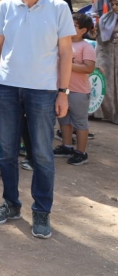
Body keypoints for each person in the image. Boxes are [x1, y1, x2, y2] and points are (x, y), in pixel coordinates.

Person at [0, 0, 75, 239]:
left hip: (43, 90)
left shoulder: (58, 7)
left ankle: (42, 211)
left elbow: (66, 53)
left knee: (42, 154)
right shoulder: (5, 6)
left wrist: (63, 92)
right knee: (7, 152)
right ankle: (11, 204)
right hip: (7, 87)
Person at [53, 13, 95, 165]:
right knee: (64, 119)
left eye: (74, 25)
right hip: (61, 90)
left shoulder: (86, 47)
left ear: (83, 30)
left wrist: (66, 63)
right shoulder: (61, 43)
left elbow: (89, 68)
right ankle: (67, 146)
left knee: (80, 122)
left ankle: (81, 152)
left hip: (79, 92)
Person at [95, 0, 118, 123]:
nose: (114, 7)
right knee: (103, 80)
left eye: (117, 4)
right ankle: (99, 112)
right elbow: (98, 38)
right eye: (112, 4)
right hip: (106, 53)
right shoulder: (105, 18)